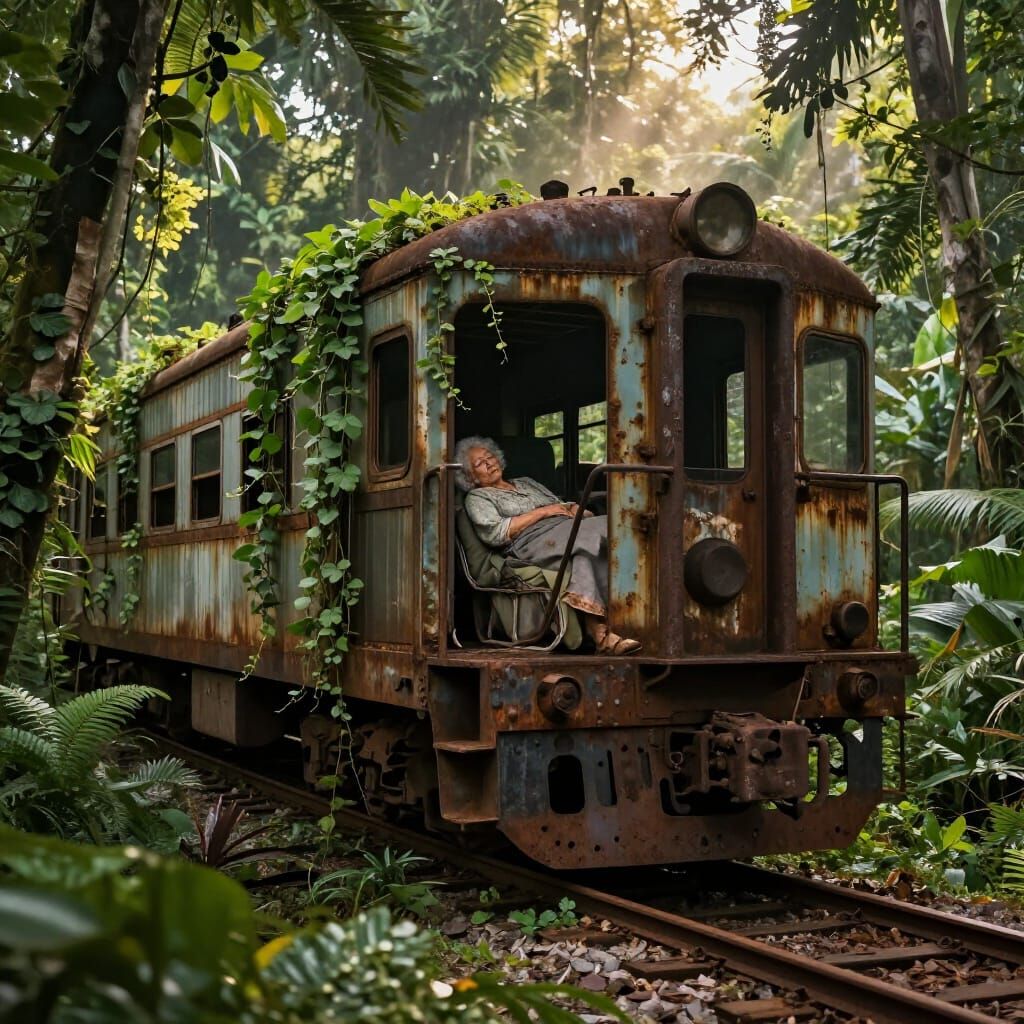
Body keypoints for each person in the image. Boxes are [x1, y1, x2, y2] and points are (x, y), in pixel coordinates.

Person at [455, 435, 642, 655]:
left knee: (592, 546)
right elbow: (497, 534)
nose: (489, 463)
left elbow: (559, 505)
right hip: (529, 542)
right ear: (470, 477)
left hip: (566, 530)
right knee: (599, 533)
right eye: (479, 463)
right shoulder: (478, 497)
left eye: (490, 457)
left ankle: (604, 633)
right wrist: (543, 512)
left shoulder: (527, 482)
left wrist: (574, 509)